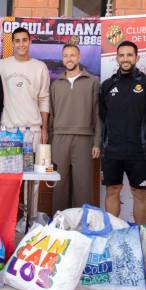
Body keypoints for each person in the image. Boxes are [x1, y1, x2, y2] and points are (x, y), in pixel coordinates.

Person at [99, 41, 146, 224]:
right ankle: (113, 231)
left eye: (129, 55)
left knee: (139, 193)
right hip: (112, 151)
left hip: (138, 152)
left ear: (137, 57)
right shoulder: (107, 85)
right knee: (112, 190)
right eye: (122, 55)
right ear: (117, 58)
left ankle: (140, 234)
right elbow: (104, 116)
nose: (125, 59)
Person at [49, 43, 101, 209]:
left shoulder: (92, 82)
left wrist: (97, 142)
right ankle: (59, 223)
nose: (69, 59)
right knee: (59, 184)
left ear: (79, 58)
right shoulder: (56, 85)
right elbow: (51, 115)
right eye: (65, 56)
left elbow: (98, 115)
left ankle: (82, 222)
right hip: (59, 138)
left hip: (84, 138)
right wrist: (49, 144)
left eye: (72, 55)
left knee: (83, 186)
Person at [0, 27, 50, 146]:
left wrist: (44, 129)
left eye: (24, 40)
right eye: (17, 41)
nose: (21, 44)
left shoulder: (40, 67)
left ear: (30, 42)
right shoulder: (0, 66)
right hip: (7, 130)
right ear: (13, 43)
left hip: (33, 131)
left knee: (31, 165)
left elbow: (44, 99)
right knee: (7, 165)